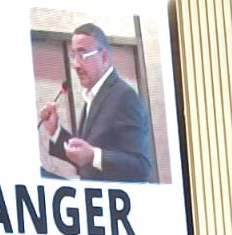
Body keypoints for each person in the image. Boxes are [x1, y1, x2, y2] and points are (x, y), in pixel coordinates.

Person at [38, 23, 155, 183]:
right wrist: (55, 130)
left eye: (83, 55)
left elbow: (141, 166)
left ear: (104, 58)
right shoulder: (94, 94)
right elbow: (84, 158)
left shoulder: (123, 96)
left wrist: (94, 155)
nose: (76, 65)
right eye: (73, 55)